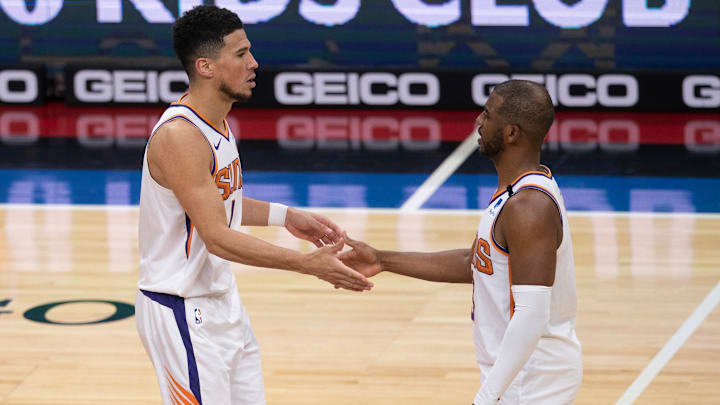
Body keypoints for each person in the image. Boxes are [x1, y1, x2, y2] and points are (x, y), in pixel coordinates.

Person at [135, 5, 373, 405]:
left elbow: (219, 202)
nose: (254, 63)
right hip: (181, 308)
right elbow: (217, 237)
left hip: (221, 300)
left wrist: (288, 217)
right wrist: (305, 264)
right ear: (206, 66)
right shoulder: (181, 137)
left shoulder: (217, 121)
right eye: (241, 53)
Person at [339, 80, 582, 404]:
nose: (478, 123)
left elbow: (531, 314)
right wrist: (383, 260)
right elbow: (476, 263)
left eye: (488, 114)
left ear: (511, 133)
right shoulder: (517, 194)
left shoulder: (528, 207)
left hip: (531, 382)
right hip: (520, 376)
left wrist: (487, 397)